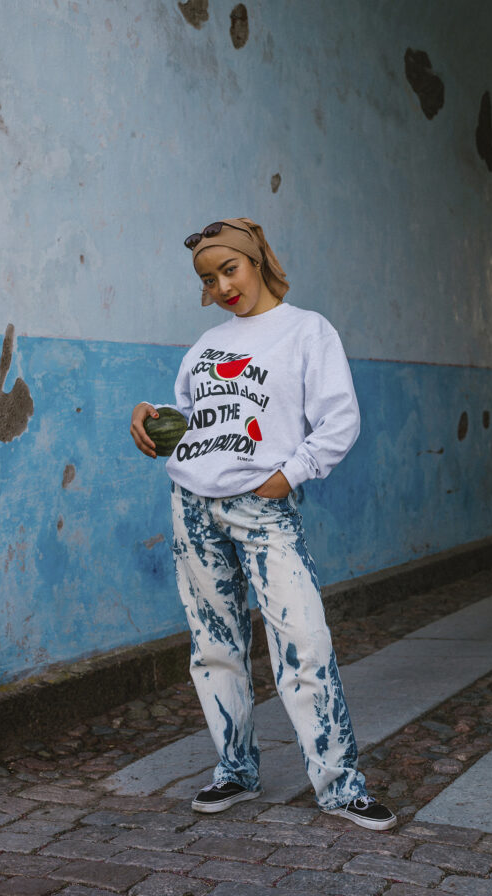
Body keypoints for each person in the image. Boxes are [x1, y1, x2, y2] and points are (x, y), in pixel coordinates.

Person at [130, 218, 396, 831]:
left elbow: (339, 419)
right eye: (209, 278)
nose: (223, 286)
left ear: (255, 261)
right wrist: (153, 414)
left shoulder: (307, 331)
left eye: (231, 269)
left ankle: (339, 786)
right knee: (213, 646)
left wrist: (292, 472)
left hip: (264, 505)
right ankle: (235, 770)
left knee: (304, 641)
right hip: (193, 503)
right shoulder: (207, 344)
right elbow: (197, 418)